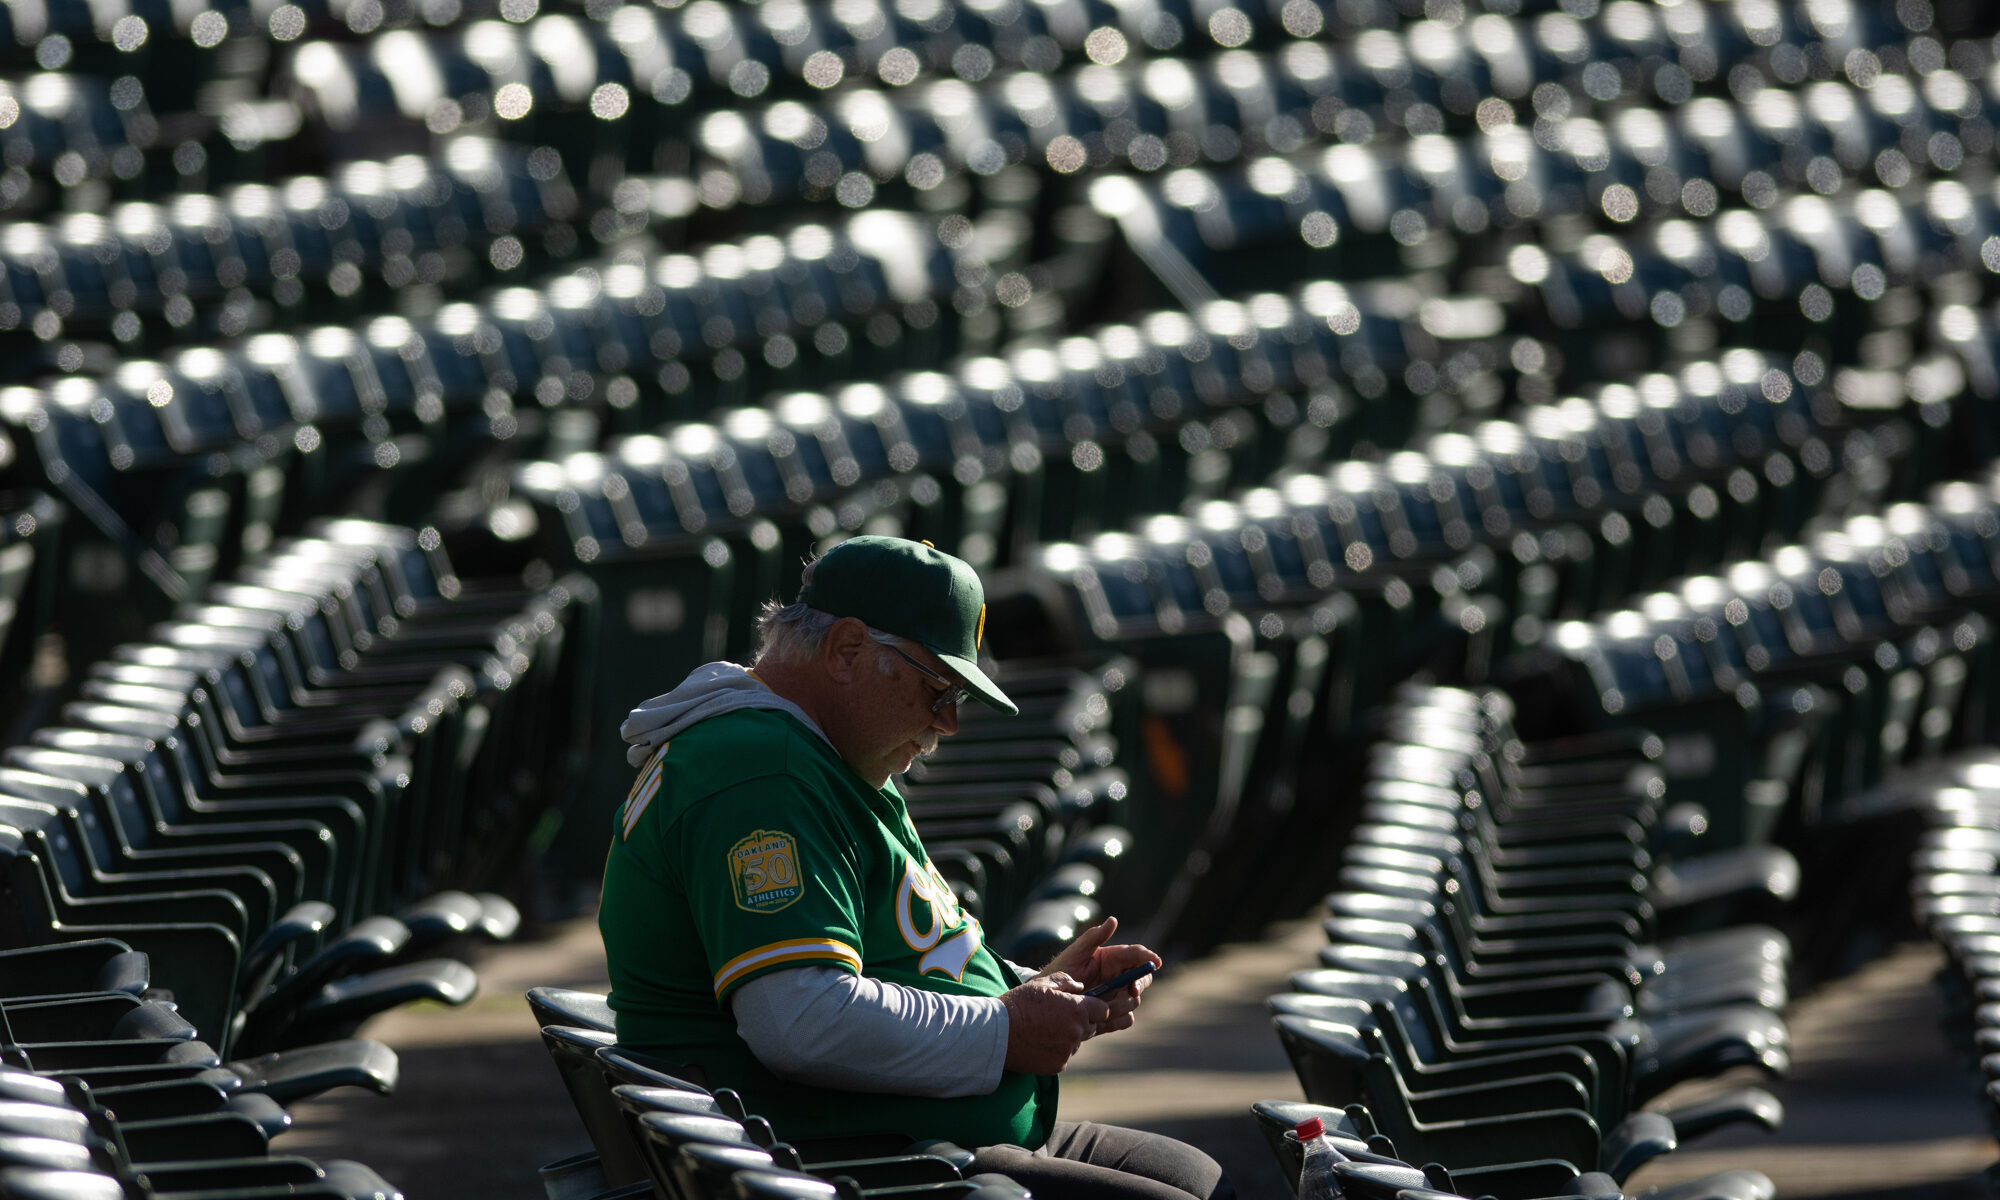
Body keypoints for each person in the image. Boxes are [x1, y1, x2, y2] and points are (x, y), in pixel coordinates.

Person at [598, 535, 1234, 1200]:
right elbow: (800, 1022)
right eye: (938, 689)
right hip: (852, 1162)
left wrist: (1038, 990)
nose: (950, 723)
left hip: (913, 1138)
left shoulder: (813, 750)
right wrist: (1007, 1028)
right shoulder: (765, 770)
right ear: (846, 650)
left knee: (1202, 1178)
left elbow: (887, 958)